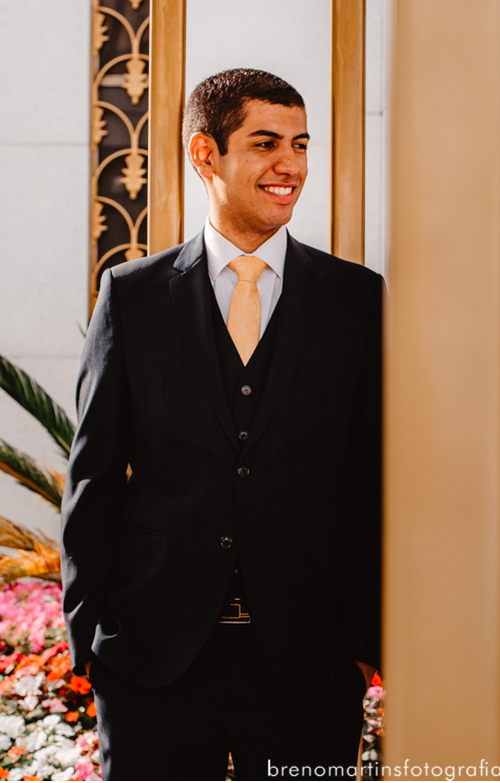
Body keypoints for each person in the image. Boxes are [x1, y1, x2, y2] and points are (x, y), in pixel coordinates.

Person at [61, 68, 383, 781]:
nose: (291, 165)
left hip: (311, 664)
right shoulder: (133, 297)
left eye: (301, 144)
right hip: (154, 661)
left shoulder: (356, 300)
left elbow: (373, 476)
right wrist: (91, 636)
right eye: (266, 143)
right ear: (204, 153)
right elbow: (94, 476)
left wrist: (365, 642)